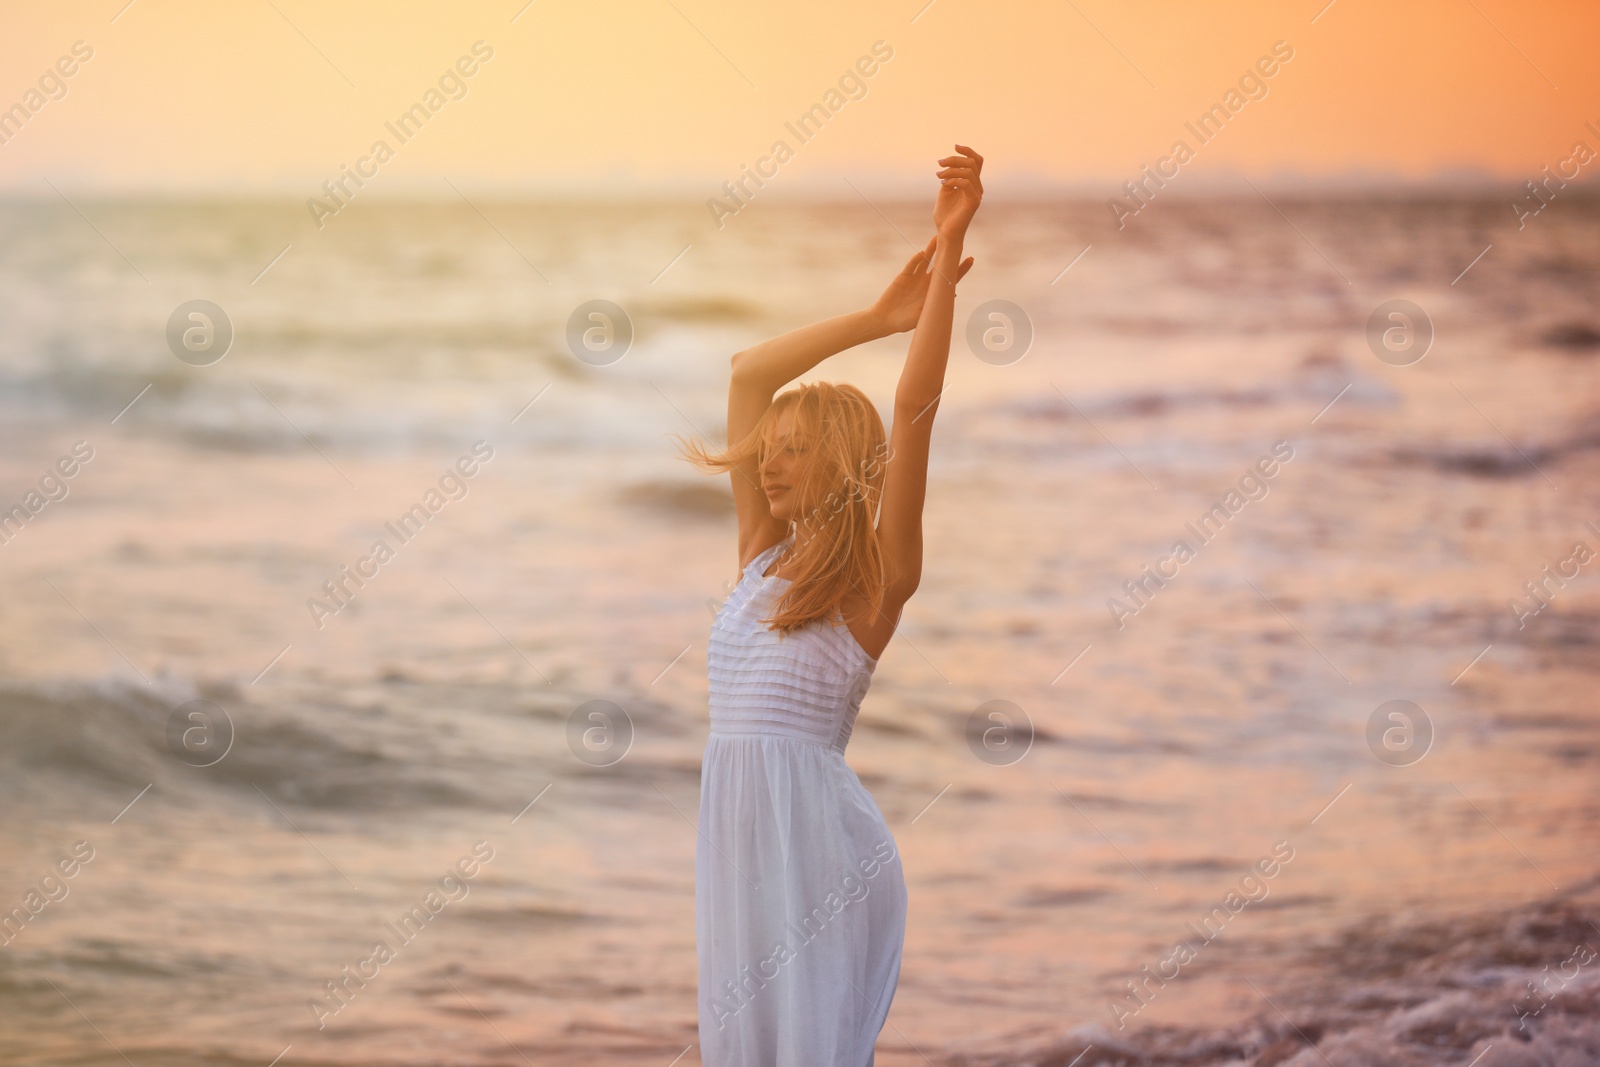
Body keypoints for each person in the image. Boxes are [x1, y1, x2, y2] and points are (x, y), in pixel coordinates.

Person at [675, 145, 983, 1066]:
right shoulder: (759, 557)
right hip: (738, 854)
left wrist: (942, 272)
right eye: (768, 448)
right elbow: (745, 374)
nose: (767, 462)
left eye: (794, 449)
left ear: (841, 463)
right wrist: (875, 317)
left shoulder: (874, 585)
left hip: (815, 857)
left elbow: (917, 403)